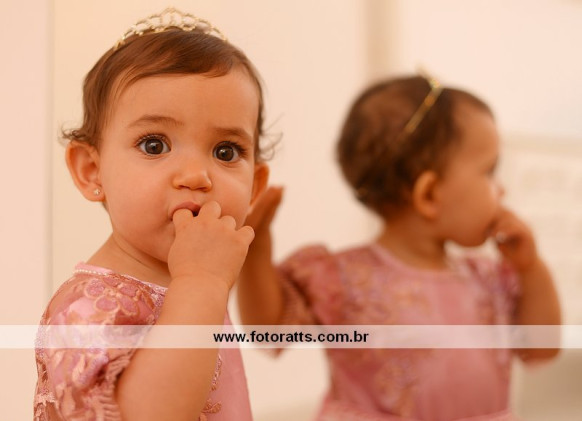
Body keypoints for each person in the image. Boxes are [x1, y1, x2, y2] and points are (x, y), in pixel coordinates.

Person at [239, 75, 561, 421]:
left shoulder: (488, 279)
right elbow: (268, 330)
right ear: (429, 194)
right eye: (489, 172)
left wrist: (531, 269)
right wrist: (256, 250)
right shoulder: (345, 280)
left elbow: (543, 348)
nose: (501, 190)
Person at [34, 8, 269, 421]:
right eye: (154, 145)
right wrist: (201, 285)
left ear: (254, 187)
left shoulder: (197, 277)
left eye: (225, 151)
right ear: (92, 171)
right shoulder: (89, 309)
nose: (196, 176)